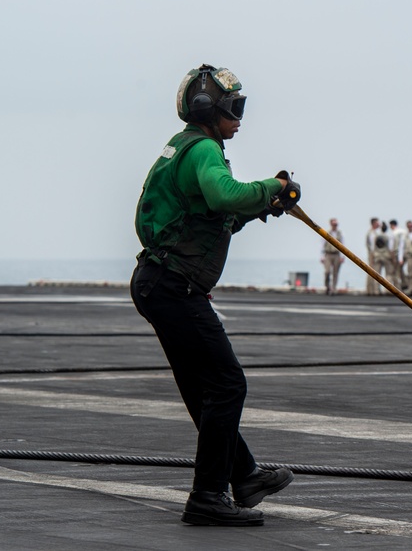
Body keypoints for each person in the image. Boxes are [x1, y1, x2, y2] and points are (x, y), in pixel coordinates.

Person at [131, 64, 297, 527]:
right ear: (208, 108)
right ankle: (207, 495)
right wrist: (273, 188)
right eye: (234, 108)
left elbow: (212, 213)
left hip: (157, 282)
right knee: (227, 384)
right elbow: (224, 195)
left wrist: (265, 205)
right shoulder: (203, 148)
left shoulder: (185, 147)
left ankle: (242, 476)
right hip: (174, 285)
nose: (239, 117)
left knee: (204, 389)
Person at [321, 218, 344, 295]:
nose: (335, 226)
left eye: (336, 224)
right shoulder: (327, 233)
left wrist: (342, 257)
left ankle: (333, 288)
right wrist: (322, 256)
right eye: (334, 224)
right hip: (328, 254)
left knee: (335, 273)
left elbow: (343, 245)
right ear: (331, 224)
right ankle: (327, 286)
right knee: (327, 272)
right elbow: (322, 245)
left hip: (336, 254)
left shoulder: (340, 234)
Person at [387, 219, 407, 289]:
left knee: (396, 271)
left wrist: (392, 257)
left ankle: (398, 287)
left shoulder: (394, 233)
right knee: (401, 269)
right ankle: (405, 283)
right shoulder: (404, 231)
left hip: (397, 254)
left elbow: (391, 247)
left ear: (392, 225)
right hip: (406, 253)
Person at [365, 218, 382, 295]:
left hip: (375, 253)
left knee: (376, 271)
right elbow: (370, 245)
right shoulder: (371, 233)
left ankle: (374, 290)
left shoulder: (377, 232)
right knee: (372, 271)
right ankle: (371, 290)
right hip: (373, 253)